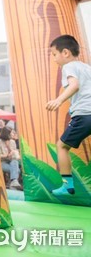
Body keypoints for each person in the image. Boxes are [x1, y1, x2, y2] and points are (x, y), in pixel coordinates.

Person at [46, 34, 91, 196]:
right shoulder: (87, 67)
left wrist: (59, 100)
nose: (54, 59)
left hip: (85, 114)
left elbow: (75, 85)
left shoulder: (69, 67)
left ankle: (67, 185)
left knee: (62, 146)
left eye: (54, 54)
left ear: (65, 52)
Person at [0, 126, 22, 190]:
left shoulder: (12, 142)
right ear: (7, 133)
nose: (13, 134)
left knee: (15, 162)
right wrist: (5, 155)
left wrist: (13, 153)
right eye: (11, 133)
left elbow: (15, 154)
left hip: (12, 161)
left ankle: (13, 183)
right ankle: (13, 182)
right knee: (17, 170)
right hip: (3, 162)